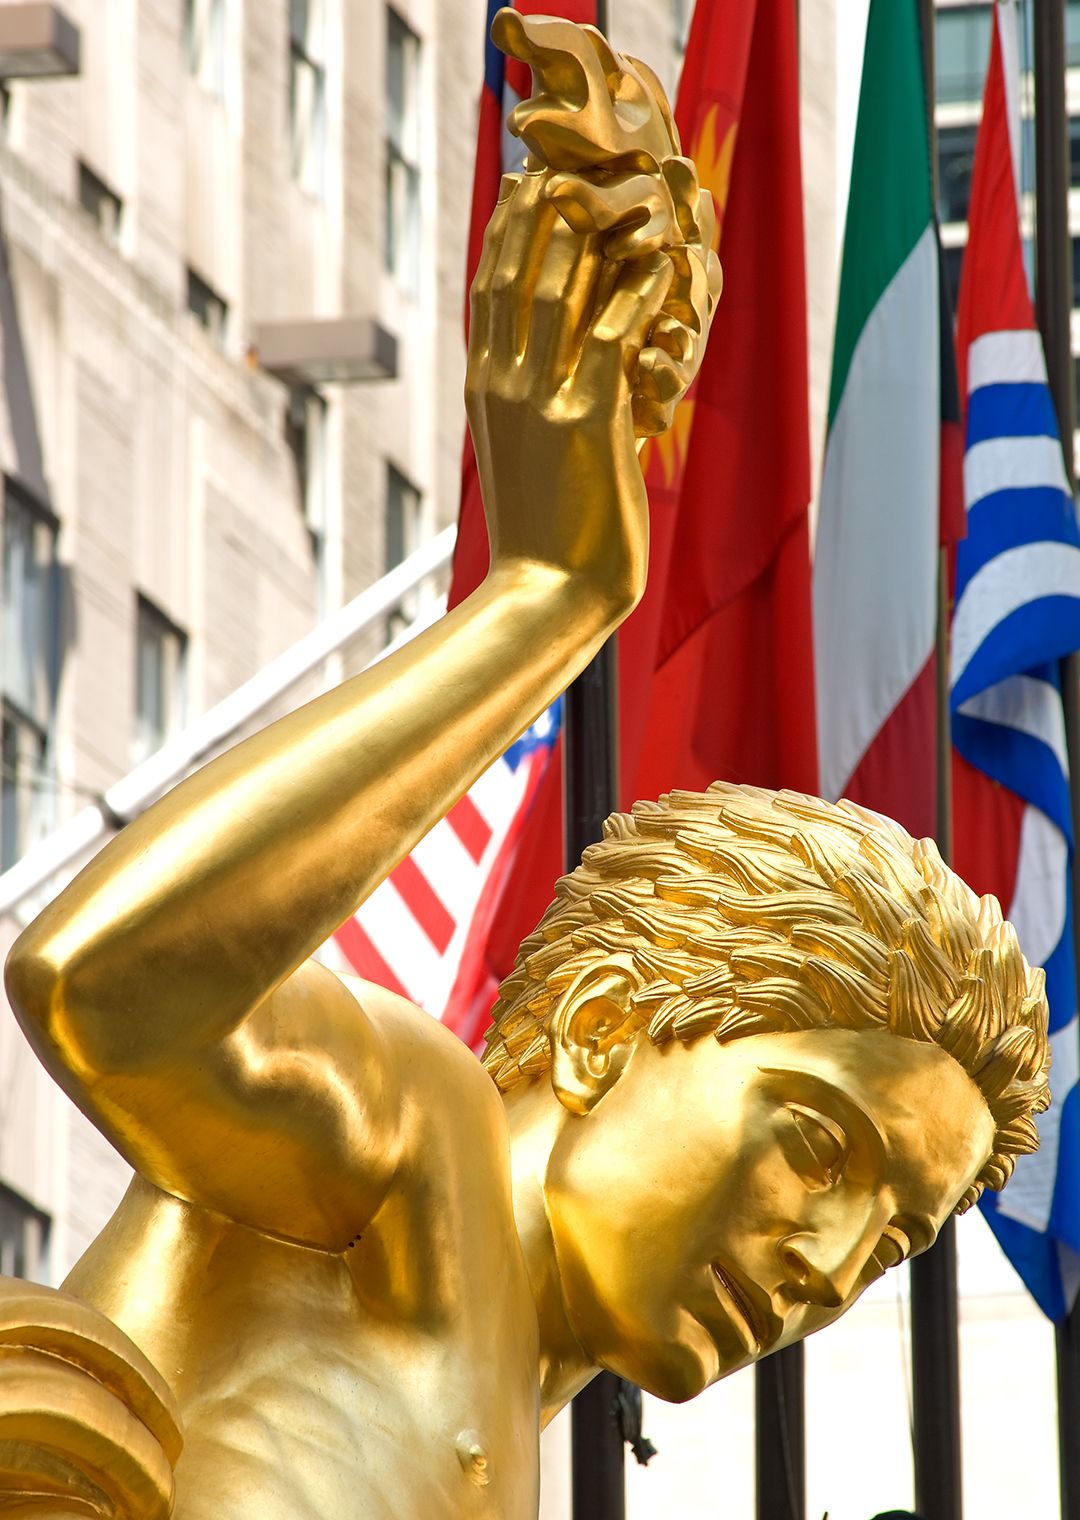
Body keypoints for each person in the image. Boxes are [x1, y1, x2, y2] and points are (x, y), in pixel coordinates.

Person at [0, 13, 1049, 1520]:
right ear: (611, 1023)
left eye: (887, 1244)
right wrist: (547, 600)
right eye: (820, 1152)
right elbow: (99, 983)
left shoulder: (502, 1400)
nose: (826, 1268)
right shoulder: (417, 1151)